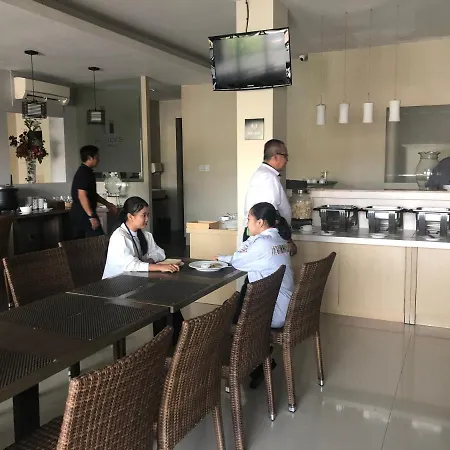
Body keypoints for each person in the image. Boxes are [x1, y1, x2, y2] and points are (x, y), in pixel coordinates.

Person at [216, 202, 295, 388]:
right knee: (239, 303)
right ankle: (257, 361)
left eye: (249, 219)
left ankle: (241, 364)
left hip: (273, 312)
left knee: (229, 313)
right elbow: (243, 257)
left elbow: (238, 260)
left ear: (260, 222)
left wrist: (226, 257)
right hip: (284, 305)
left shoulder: (263, 243)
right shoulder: (278, 239)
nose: (247, 224)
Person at [103, 196, 183, 343]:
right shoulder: (120, 236)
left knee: (168, 299)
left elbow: (160, 253)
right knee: (161, 300)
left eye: (148, 215)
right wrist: (159, 267)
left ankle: (174, 341)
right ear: (130, 216)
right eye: (143, 215)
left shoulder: (145, 235)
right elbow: (131, 265)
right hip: (117, 288)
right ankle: (168, 342)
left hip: (135, 283)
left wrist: (149, 260)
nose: (147, 219)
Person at [243, 139, 297, 256]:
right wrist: (288, 239)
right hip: (263, 239)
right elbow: (270, 214)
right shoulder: (267, 177)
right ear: (275, 156)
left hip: (263, 237)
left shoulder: (267, 175)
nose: (287, 160)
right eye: (285, 156)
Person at [70, 145, 117, 239]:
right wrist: (91, 216)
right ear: (89, 158)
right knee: (98, 241)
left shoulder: (87, 172)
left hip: (85, 214)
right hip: (83, 215)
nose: (98, 159)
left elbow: (92, 194)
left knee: (92, 242)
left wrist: (107, 204)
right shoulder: (84, 173)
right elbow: (82, 196)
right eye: (96, 157)